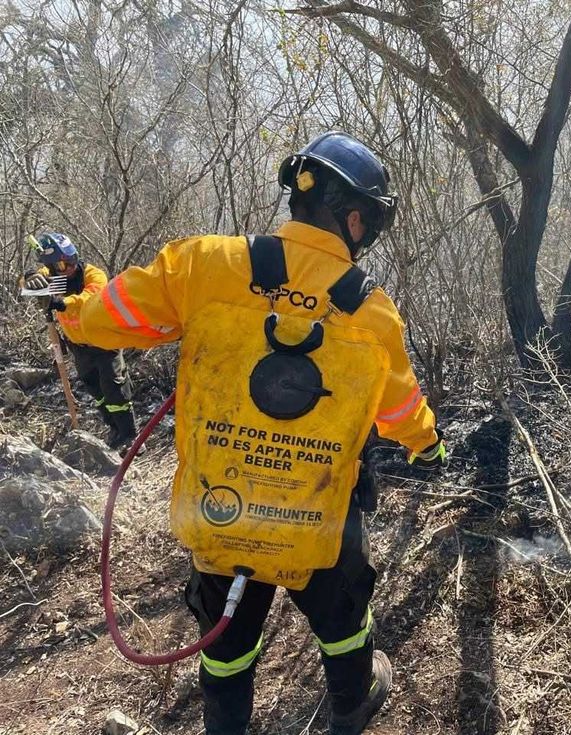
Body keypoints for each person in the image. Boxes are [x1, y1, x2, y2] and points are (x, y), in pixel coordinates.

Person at [77, 131, 447, 735]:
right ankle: (351, 706)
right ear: (355, 218)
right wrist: (427, 442)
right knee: (344, 616)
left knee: (228, 643)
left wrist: (79, 297)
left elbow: (103, 320)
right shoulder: (369, 310)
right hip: (320, 513)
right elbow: (399, 409)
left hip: (224, 507)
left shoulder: (202, 263)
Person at [21, 232, 138, 449]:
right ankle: (114, 431)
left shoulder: (94, 274)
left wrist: (61, 302)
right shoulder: (51, 274)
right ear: (53, 265)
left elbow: (90, 297)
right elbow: (31, 282)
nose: (69, 267)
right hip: (79, 347)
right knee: (96, 390)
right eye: (63, 264)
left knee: (114, 388)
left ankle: (131, 437)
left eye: (71, 259)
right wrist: (29, 277)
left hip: (105, 343)